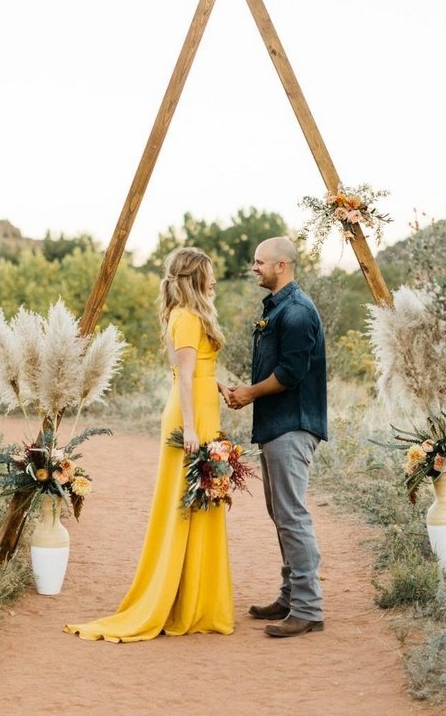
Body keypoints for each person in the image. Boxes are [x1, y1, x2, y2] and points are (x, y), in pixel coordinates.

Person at [64, 247, 234, 641]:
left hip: (201, 408)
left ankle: (195, 596)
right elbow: (185, 377)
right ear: (195, 279)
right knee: (187, 500)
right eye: (209, 274)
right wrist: (191, 429)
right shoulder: (188, 317)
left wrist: (217, 383)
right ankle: (181, 600)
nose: (214, 281)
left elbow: (195, 372)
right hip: (189, 419)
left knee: (203, 498)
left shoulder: (190, 315)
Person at [228, 236, 327, 638]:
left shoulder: (298, 312)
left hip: (293, 424)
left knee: (292, 516)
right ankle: (290, 597)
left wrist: (249, 393)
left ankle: (308, 608)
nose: (254, 268)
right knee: (281, 515)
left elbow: (290, 374)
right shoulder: (278, 307)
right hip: (275, 425)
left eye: (259, 262)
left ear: (281, 266)